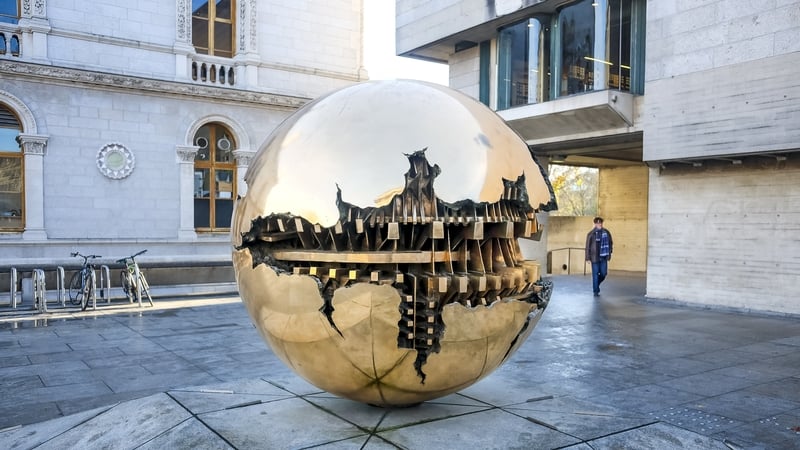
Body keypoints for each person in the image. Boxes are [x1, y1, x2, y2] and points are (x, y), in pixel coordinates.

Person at [585, 217, 613, 296]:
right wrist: (587, 257)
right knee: (595, 274)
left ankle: (596, 284)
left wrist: (610, 251)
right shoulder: (591, 234)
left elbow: (610, 243)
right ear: (595, 224)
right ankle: (596, 291)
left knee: (604, 273)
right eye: (597, 223)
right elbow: (587, 247)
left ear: (602, 223)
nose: (599, 224)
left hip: (603, 257)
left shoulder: (606, 232)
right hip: (594, 257)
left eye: (600, 223)